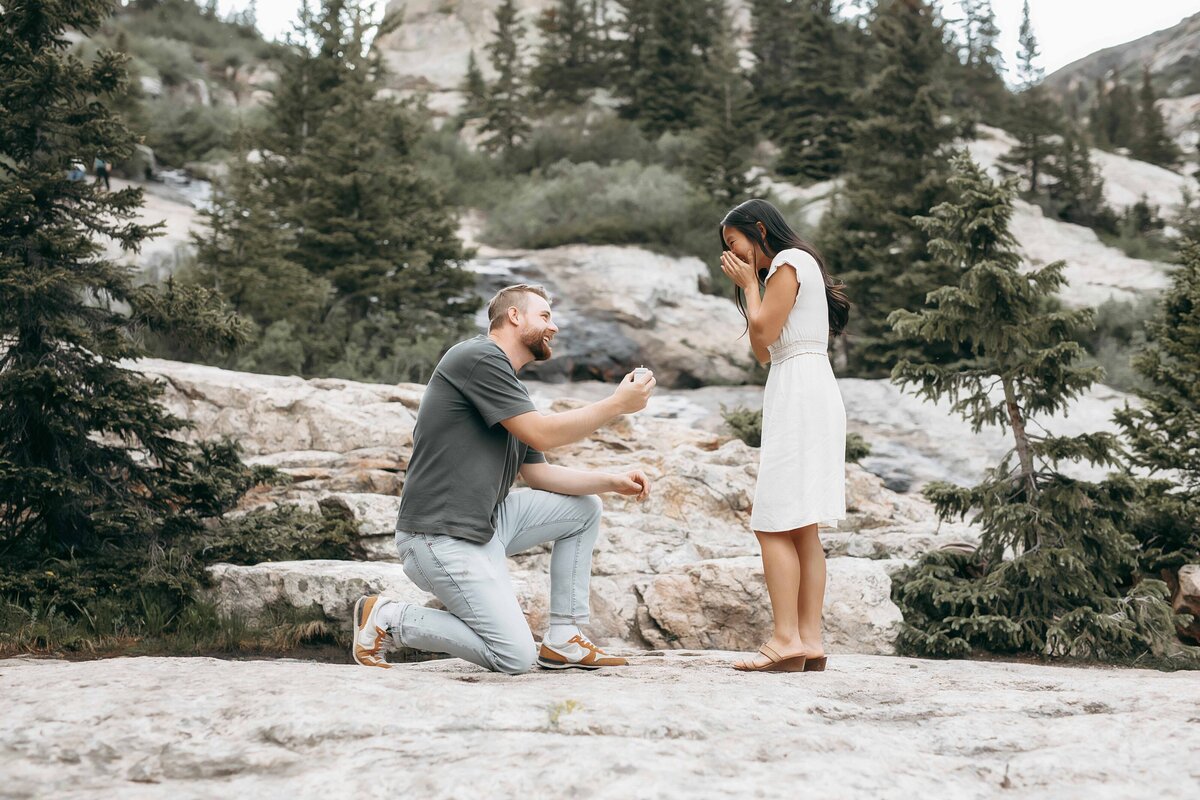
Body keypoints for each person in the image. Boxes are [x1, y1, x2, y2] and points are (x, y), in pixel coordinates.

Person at [352, 284, 657, 673]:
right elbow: (543, 434)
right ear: (514, 316)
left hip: (485, 525)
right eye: (545, 316)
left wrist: (611, 481)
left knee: (584, 509)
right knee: (514, 656)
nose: (554, 327)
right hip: (439, 535)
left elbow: (539, 474)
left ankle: (565, 639)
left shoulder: (509, 387)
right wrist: (616, 405)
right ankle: (388, 617)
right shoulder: (478, 357)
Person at [718, 198, 851, 673]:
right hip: (807, 386)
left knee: (772, 521)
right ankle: (809, 641)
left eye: (735, 243)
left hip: (800, 392)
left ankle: (785, 638)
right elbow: (762, 349)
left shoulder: (789, 263)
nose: (733, 255)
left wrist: (749, 287)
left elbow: (763, 336)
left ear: (759, 229)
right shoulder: (796, 266)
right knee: (802, 525)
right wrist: (753, 290)